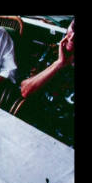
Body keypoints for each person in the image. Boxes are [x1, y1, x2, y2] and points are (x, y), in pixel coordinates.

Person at [17, 19, 75, 147]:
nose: (73, 37)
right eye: (73, 28)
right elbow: (25, 90)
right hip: (35, 128)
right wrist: (58, 64)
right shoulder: (53, 51)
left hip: (66, 142)